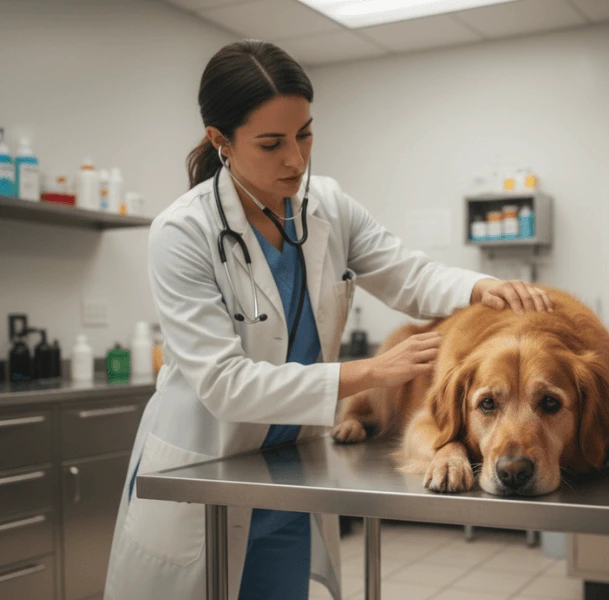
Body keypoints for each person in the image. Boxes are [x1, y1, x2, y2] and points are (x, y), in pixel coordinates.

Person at [104, 39, 553, 600]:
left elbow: (406, 274)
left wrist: (482, 287)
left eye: (305, 134)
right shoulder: (182, 233)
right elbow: (224, 384)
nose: (296, 158)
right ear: (221, 140)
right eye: (271, 143)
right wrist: (369, 373)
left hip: (287, 470)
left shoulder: (328, 207)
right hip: (207, 469)